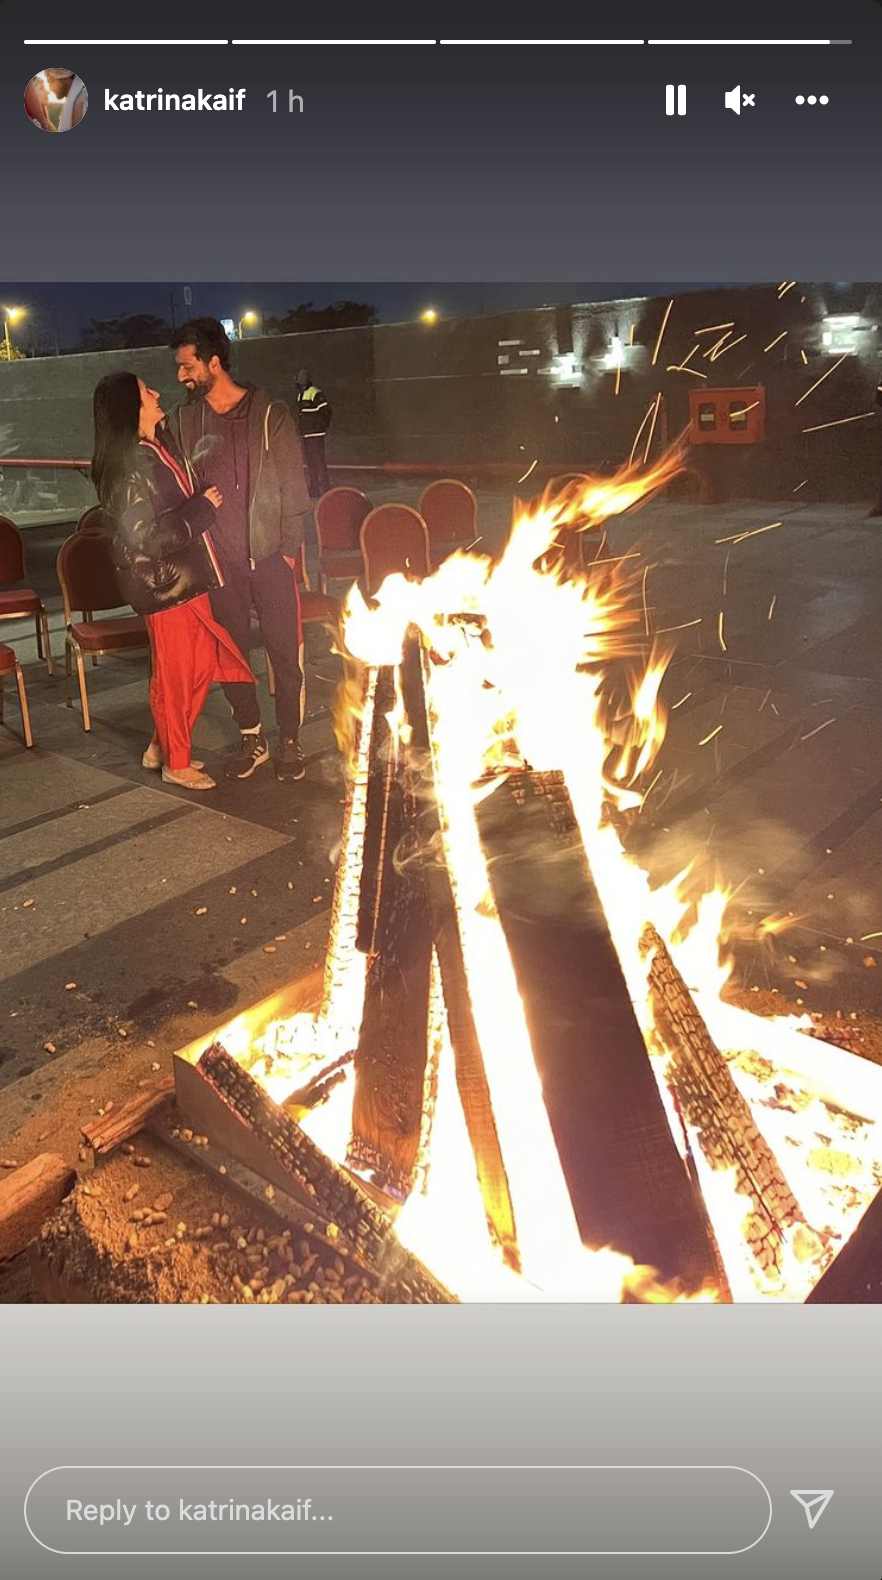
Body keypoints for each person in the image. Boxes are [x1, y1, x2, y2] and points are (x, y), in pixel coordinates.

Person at [92, 370, 254, 792]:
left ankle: (161, 747)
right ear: (132, 406)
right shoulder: (130, 465)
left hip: (182, 581)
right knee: (178, 673)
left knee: (196, 665)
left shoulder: (152, 448)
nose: (157, 392)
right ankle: (176, 763)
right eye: (147, 391)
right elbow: (145, 535)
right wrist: (201, 509)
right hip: (165, 586)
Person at [169, 318, 312, 782]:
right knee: (231, 657)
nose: (181, 377)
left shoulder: (270, 415)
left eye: (187, 366)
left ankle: (289, 736)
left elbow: (295, 485)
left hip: (271, 559)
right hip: (219, 564)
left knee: (283, 653)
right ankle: (253, 737)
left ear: (214, 362)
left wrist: (288, 550)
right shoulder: (185, 420)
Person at [295, 368, 332, 498]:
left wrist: (322, 427)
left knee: (319, 462)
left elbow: (326, 411)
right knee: (311, 463)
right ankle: (314, 490)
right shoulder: (301, 395)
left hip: (316, 435)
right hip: (306, 435)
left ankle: (326, 489)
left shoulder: (315, 393)